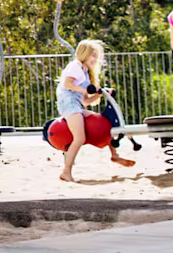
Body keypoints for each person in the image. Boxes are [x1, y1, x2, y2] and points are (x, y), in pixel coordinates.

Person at [56, 39, 135, 183]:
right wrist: (86, 89)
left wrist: (99, 94)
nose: (95, 59)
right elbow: (67, 84)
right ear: (84, 54)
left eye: (96, 56)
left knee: (105, 124)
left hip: (77, 105)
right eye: (93, 55)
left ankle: (114, 154)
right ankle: (66, 171)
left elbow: (86, 102)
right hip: (68, 104)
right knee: (79, 138)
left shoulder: (86, 74)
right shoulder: (76, 66)